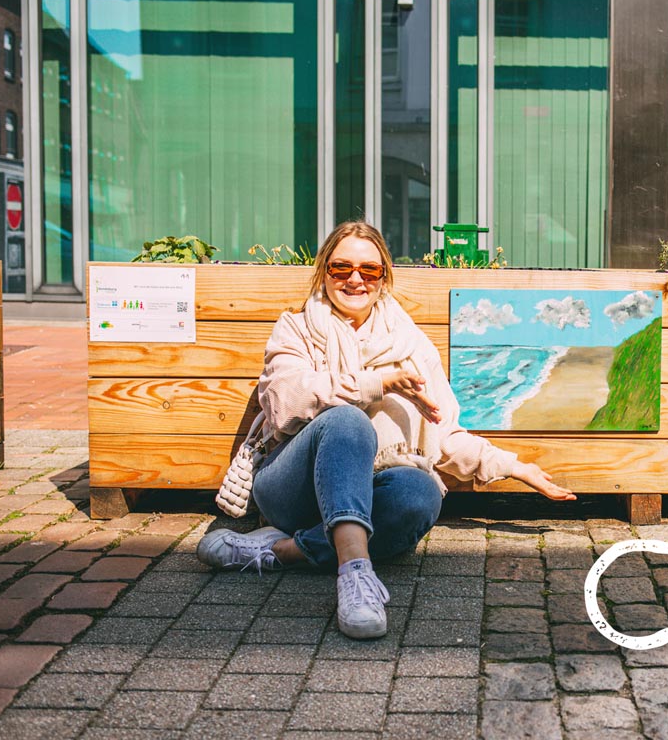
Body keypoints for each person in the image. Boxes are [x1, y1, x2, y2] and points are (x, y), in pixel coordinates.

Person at [197, 222, 574, 638]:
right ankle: (355, 577)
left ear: (383, 278)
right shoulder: (297, 327)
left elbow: (442, 433)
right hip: (293, 489)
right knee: (346, 420)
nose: (354, 279)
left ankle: (281, 550)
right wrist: (376, 384)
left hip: (370, 488)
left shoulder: (411, 345)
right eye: (341, 269)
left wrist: (514, 466)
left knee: (420, 494)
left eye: (368, 271)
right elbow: (284, 404)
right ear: (324, 272)